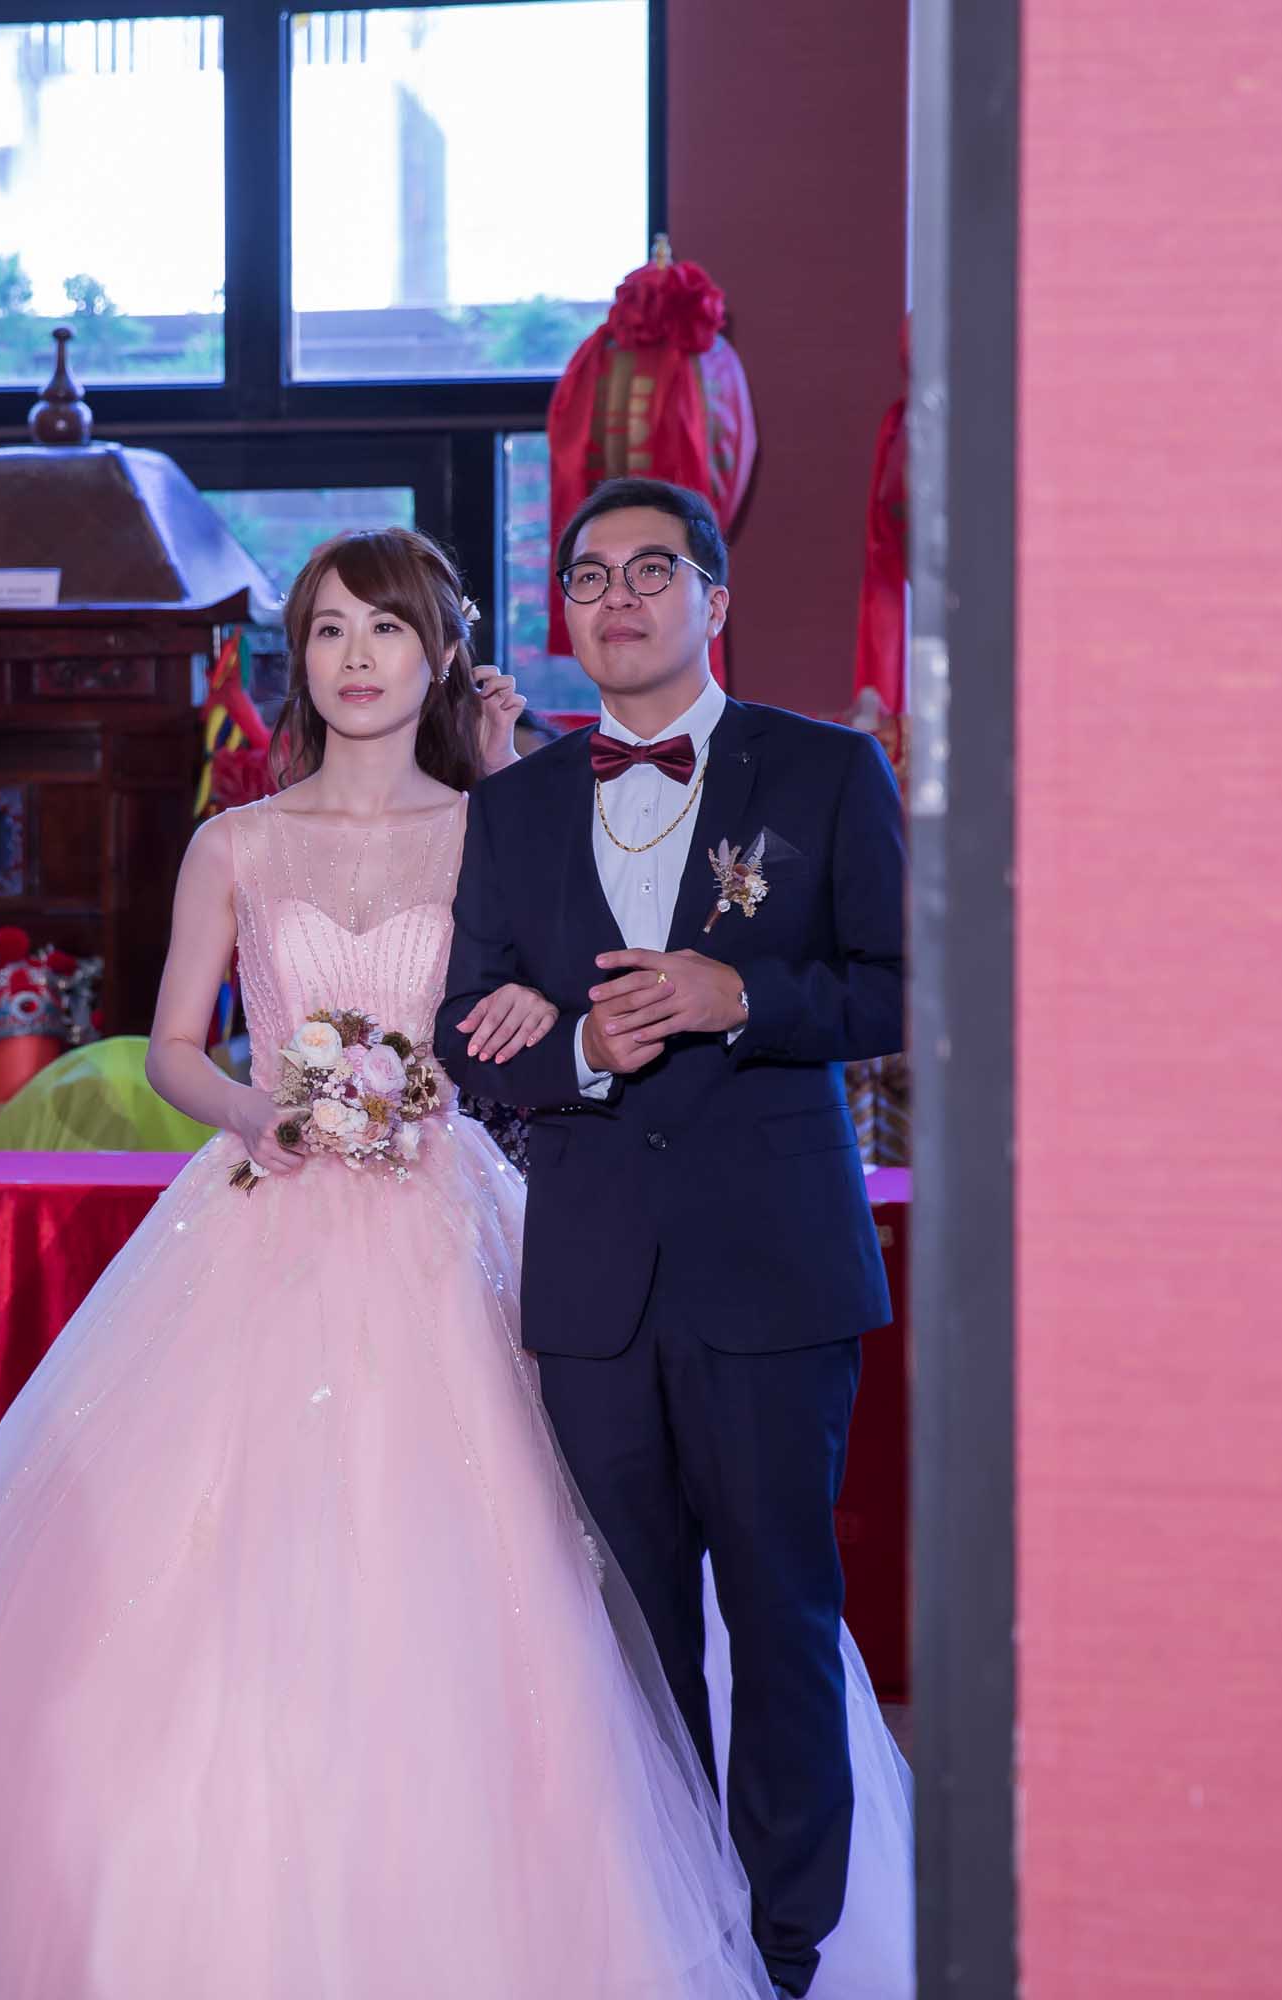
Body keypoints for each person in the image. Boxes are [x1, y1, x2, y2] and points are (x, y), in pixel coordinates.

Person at [0, 527, 906, 1999]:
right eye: (327, 632)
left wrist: (499, 1052)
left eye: (387, 629)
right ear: (296, 661)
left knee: (527, 1575)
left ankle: (689, 1910)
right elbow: (176, 1048)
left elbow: (533, 1012)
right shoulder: (232, 843)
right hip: (268, 1212)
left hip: (453, 1216)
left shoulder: (504, 823)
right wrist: (262, 1111)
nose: (356, 658)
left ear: (442, 654)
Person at [435, 477, 910, 1998]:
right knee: (629, 1638)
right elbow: (464, 1032)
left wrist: (740, 996)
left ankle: (789, 1945)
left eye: (652, 571)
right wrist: (579, 1049)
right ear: (564, 616)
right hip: (589, 1282)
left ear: (714, 599)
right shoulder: (511, 807)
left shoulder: (825, 769)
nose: (618, 599)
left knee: (780, 1612)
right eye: (589, 577)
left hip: (772, 1269)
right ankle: (672, 1920)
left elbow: (905, 984)